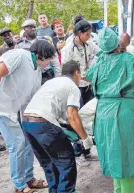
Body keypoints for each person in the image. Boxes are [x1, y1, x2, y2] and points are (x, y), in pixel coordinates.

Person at [85, 28, 134, 193]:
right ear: (118, 44)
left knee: (113, 154)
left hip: (103, 113)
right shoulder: (128, 59)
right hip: (126, 112)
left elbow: (88, 76)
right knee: (125, 158)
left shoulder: (98, 61)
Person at [0, 40, 56, 193]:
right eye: (50, 58)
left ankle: (29, 178)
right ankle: (19, 186)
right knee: (17, 144)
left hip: (14, 109)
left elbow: (28, 100)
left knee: (28, 141)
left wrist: (30, 121)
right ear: (43, 55)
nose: (50, 62)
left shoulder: (36, 71)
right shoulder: (20, 55)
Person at [23, 61, 93, 193]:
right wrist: (84, 137)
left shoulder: (52, 82)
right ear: (76, 72)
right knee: (65, 160)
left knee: (48, 162)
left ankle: (54, 190)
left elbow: (62, 115)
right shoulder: (72, 87)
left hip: (27, 122)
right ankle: (66, 191)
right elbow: (73, 115)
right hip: (43, 121)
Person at [61, 20, 100, 162]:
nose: (89, 36)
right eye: (87, 34)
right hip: (75, 87)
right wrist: (79, 77)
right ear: (79, 33)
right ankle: (78, 151)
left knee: (89, 116)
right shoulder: (68, 49)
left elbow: (101, 52)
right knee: (76, 117)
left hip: (88, 85)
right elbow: (65, 70)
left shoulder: (89, 44)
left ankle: (87, 150)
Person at [16, 19, 61, 83]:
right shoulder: (20, 45)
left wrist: (58, 77)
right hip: (30, 77)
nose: (33, 29)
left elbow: (54, 58)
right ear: (24, 29)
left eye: (34, 27)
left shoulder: (44, 40)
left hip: (46, 76)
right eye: (30, 27)